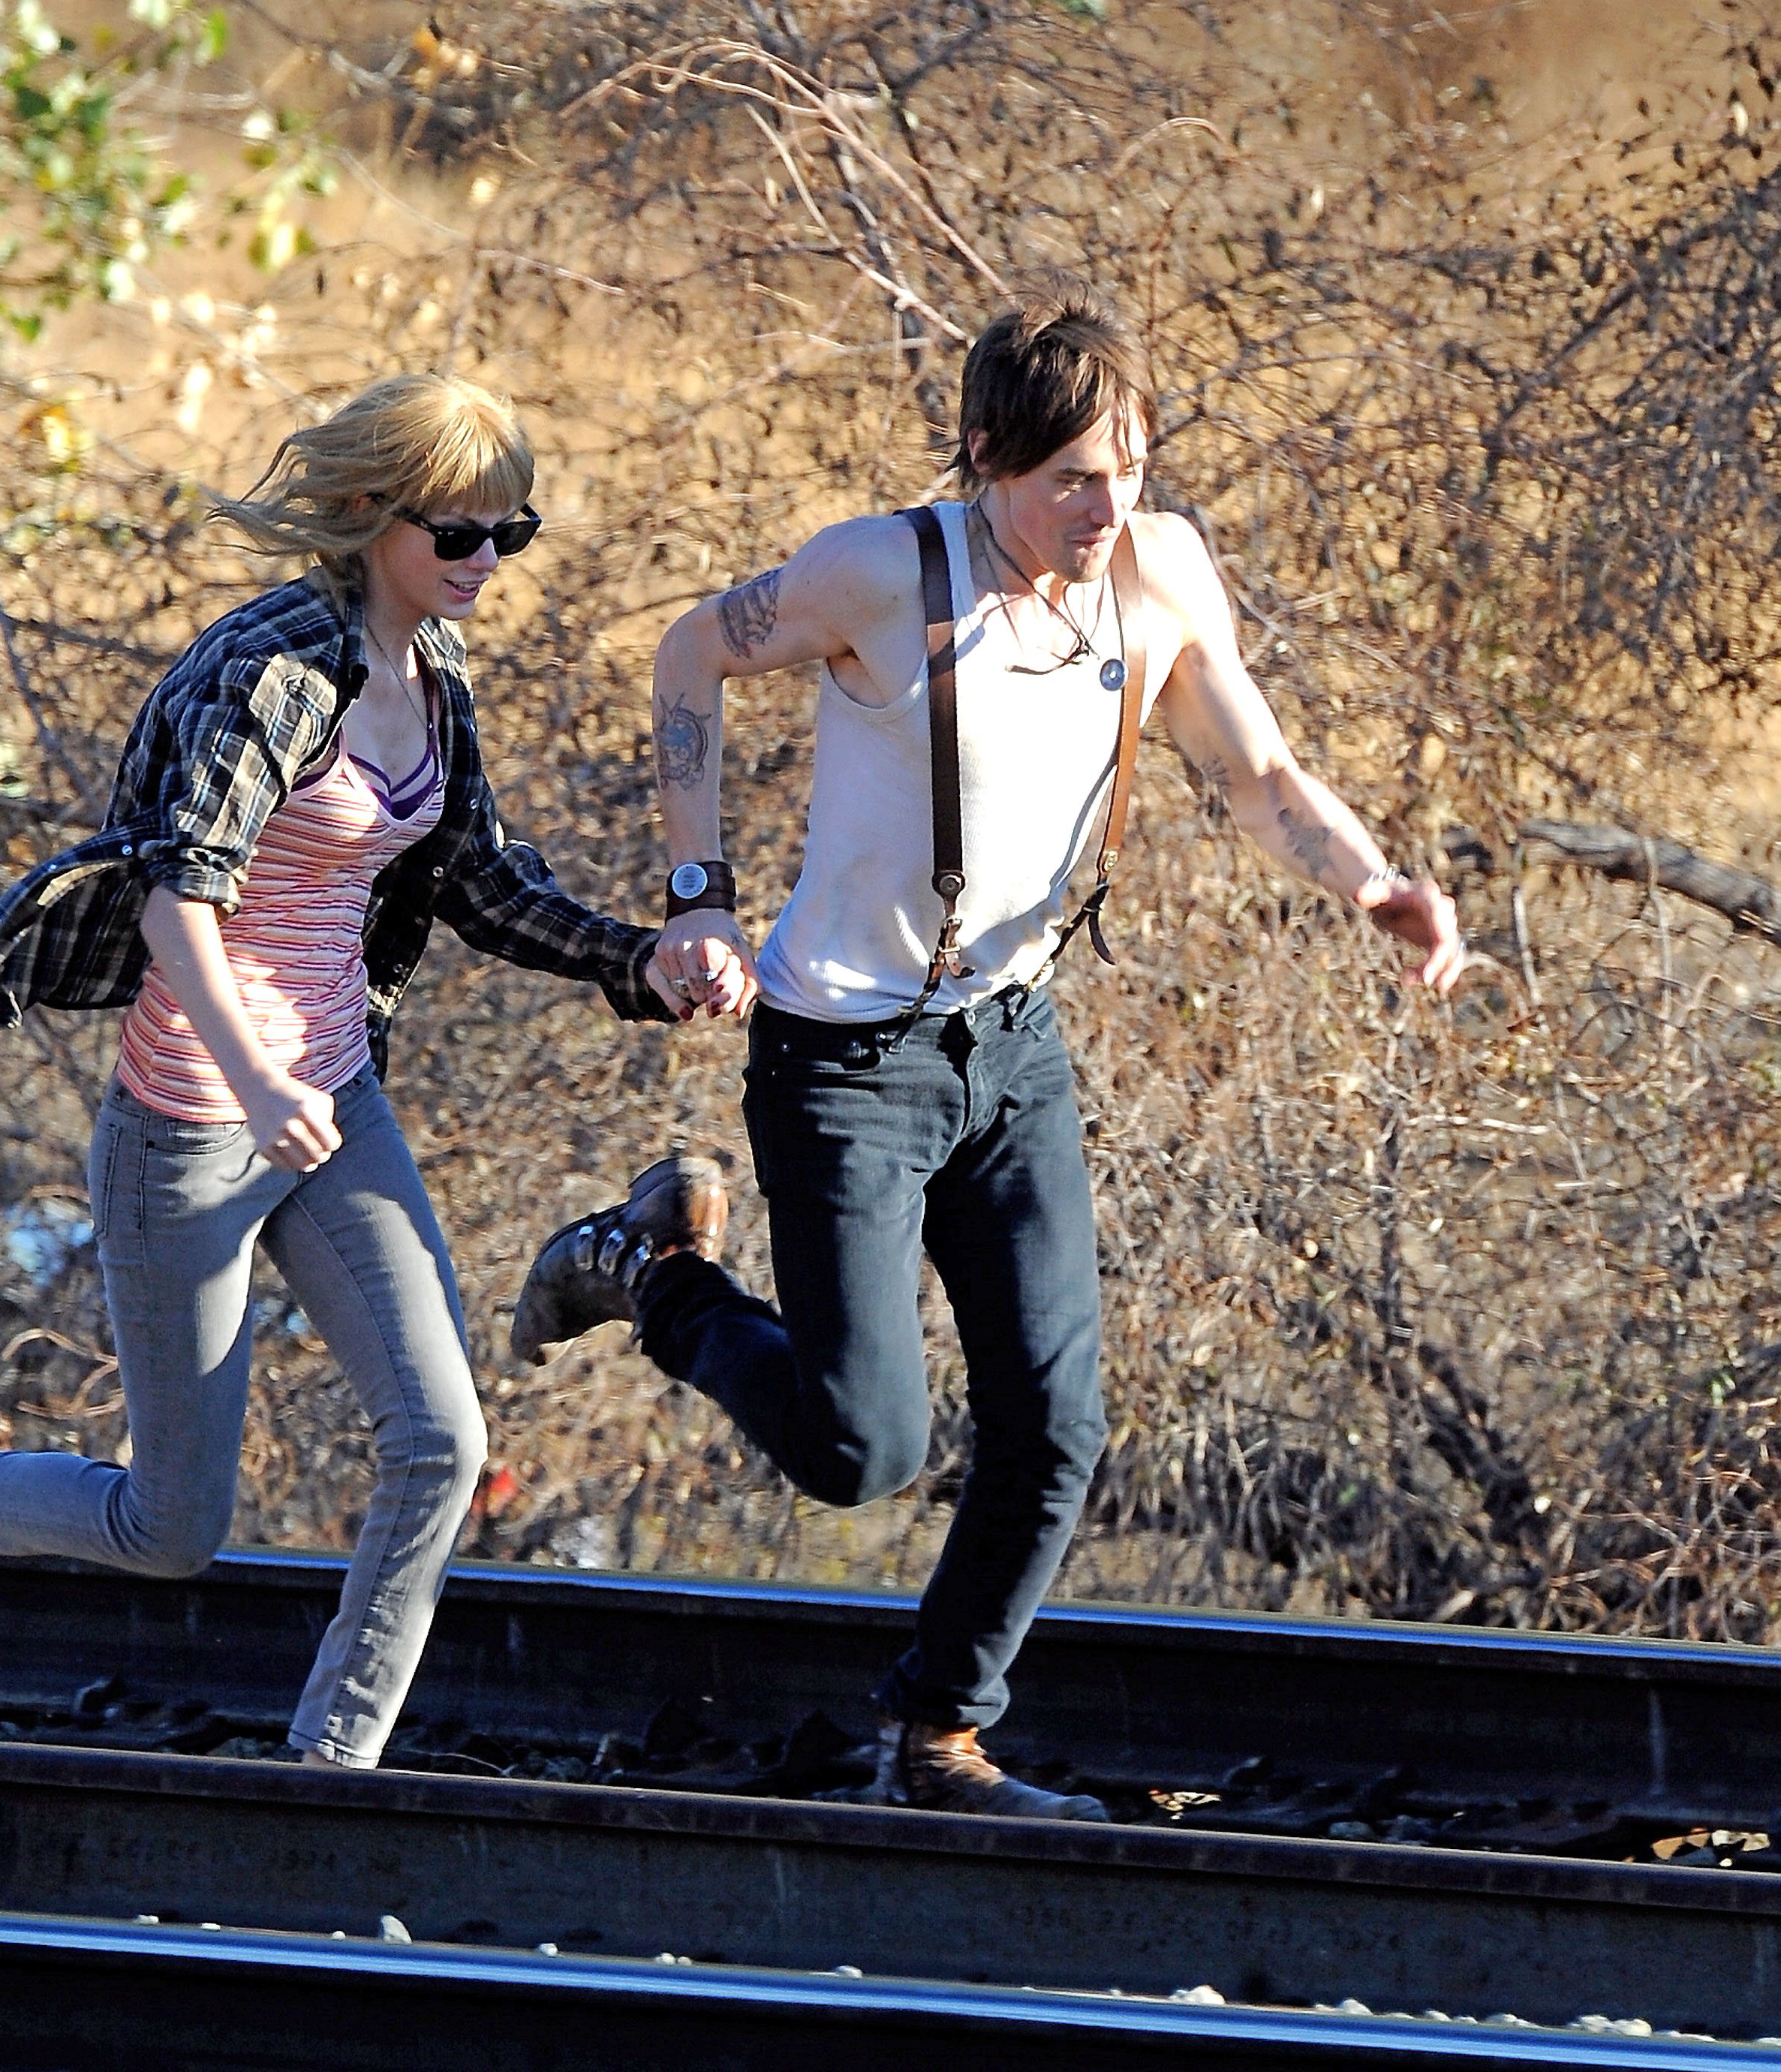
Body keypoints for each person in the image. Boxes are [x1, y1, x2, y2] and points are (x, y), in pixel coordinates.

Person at [511, 276, 1464, 1818]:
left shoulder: (1158, 573)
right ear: (986, 460)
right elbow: (691, 654)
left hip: (1010, 1047)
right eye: (1071, 479)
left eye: (1128, 470)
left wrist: (1375, 887)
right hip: (843, 1060)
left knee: (1056, 1423)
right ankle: (654, 1274)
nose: (1106, 507)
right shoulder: (882, 575)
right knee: (859, 1450)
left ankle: (940, 1735)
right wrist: (698, 897)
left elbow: (1261, 774)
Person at [0, 372, 723, 1772]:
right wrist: (257, 1083)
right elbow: (176, 896)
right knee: (171, 1527)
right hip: (192, 1121)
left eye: (509, 532)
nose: (486, 560)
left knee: (442, 1444)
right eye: (457, 533)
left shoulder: (433, 670)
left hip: (333, 1101)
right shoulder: (272, 674)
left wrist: (640, 960)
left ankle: (327, 1765)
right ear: (366, 514)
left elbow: (477, 880)